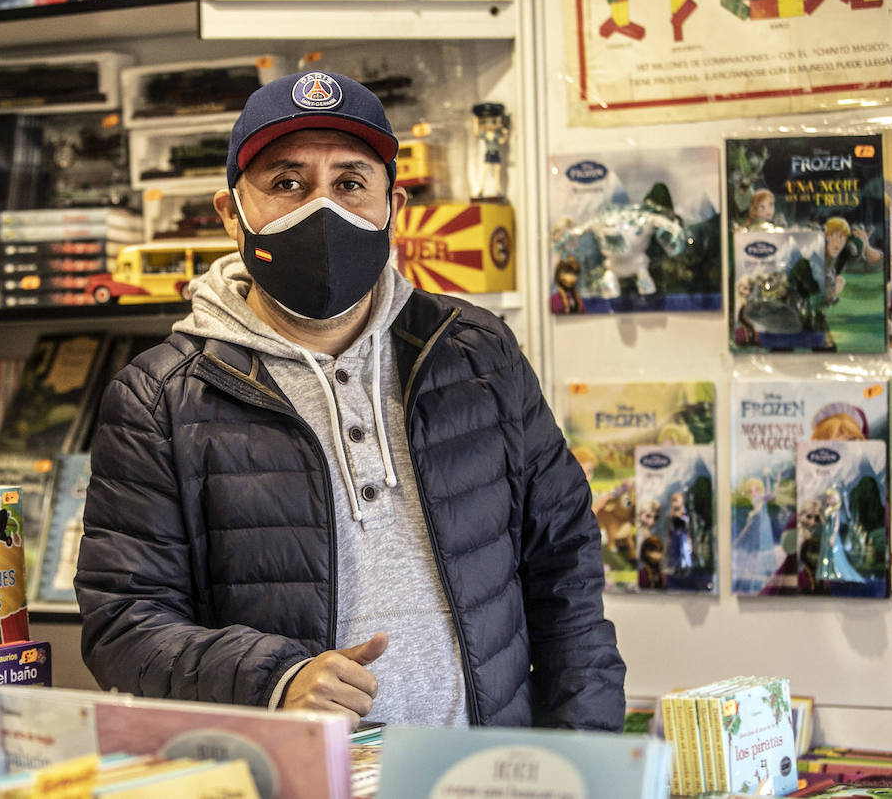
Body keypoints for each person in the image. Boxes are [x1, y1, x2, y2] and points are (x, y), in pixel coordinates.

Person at [75, 70, 625, 730]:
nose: (323, 210)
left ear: (391, 206)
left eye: (350, 183)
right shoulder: (160, 397)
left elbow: (566, 575)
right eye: (287, 184)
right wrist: (273, 680)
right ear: (230, 214)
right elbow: (124, 628)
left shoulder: (478, 354)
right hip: (296, 778)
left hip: (480, 774)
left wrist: (586, 761)